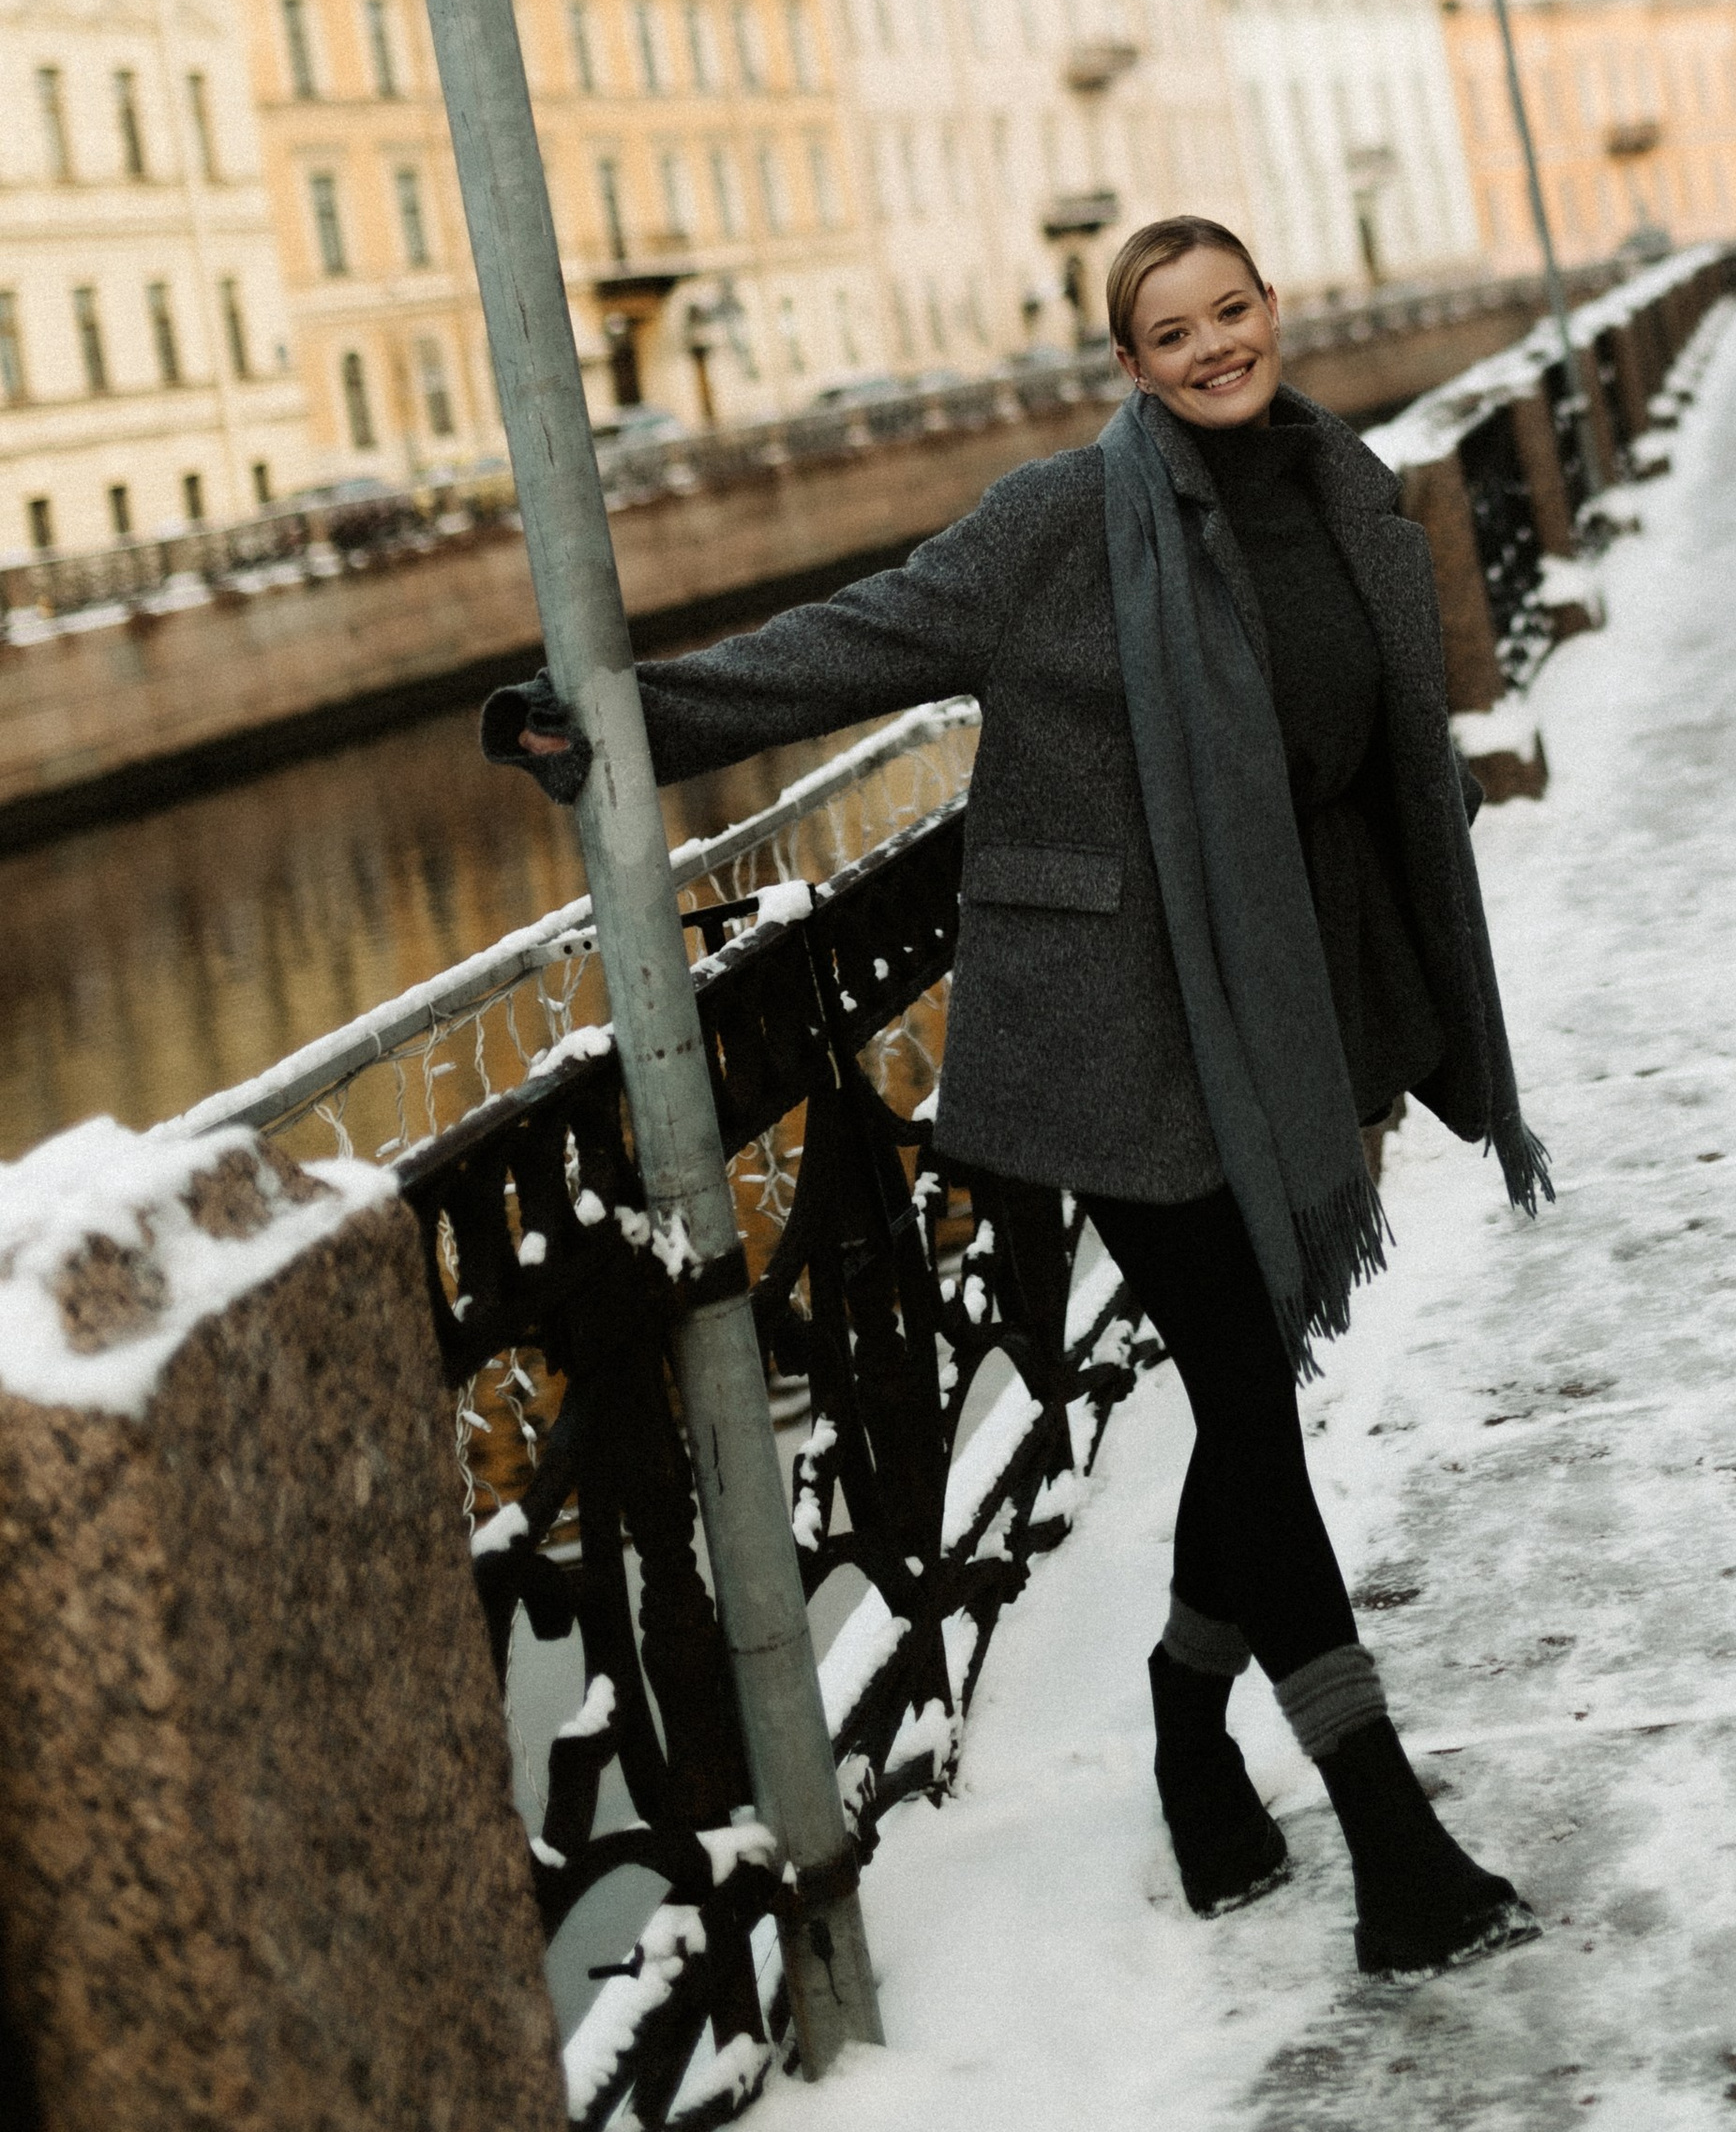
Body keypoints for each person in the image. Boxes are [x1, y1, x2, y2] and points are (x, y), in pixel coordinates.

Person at [484, 213, 1551, 1979]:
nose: (1214, 347)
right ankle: (1387, 1832)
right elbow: (857, 643)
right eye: (1171, 330)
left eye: (1234, 311)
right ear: (1124, 365)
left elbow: (1373, 757)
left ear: (1272, 315)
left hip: (1299, 999)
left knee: (1254, 1388)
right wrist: (609, 715)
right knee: (1242, 1385)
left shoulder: (1341, 484)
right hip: (1116, 1036)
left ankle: (1185, 1719)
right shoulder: (1062, 522)